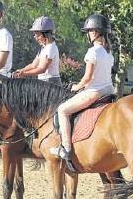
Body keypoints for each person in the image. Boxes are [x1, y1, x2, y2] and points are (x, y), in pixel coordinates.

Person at [49, 14, 114, 160]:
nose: (88, 34)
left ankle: (65, 148)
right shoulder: (109, 53)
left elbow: (88, 77)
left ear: (96, 32)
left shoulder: (93, 51)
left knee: (63, 110)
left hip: (95, 92)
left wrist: (76, 87)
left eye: (90, 31)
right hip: (109, 91)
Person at [13, 16, 61, 85]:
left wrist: (24, 74)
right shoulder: (43, 48)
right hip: (43, 81)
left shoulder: (51, 48)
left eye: (38, 35)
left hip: (51, 83)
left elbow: (42, 69)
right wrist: (20, 70)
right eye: (35, 35)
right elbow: (33, 65)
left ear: (46, 34)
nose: (36, 38)